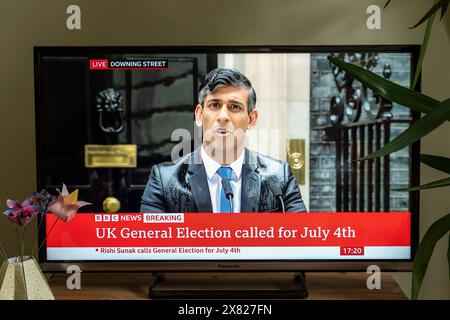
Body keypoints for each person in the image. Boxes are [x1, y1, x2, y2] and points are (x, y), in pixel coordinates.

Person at [140, 68, 307, 213]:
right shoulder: (165, 180)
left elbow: (301, 238)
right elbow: (151, 243)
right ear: (199, 115)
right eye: (214, 105)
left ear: (251, 119)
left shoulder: (279, 177)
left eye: (235, 107)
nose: (223, 117)